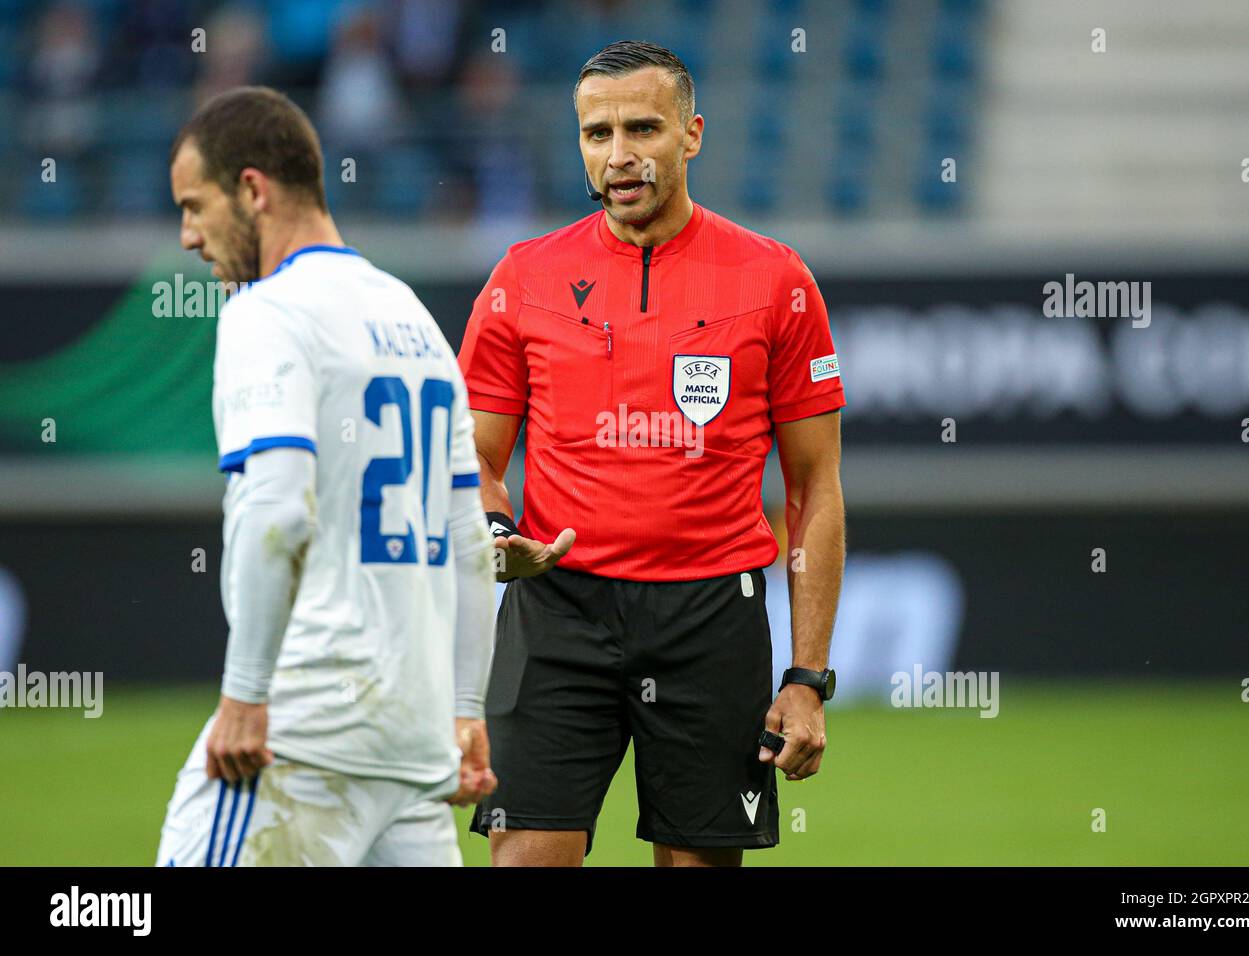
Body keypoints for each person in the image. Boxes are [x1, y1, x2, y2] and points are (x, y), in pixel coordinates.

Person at [459, 41, 846, 867]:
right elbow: (474, 460)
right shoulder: (521, 279)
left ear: (692, 134)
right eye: (597, 134)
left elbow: (814, 485)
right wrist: (496, 531)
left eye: (643, 127)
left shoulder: (776, 280)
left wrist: (808, 679)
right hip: (556, 608)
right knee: (525, 858)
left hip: (712, 618)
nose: (619, 153)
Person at [156, 86, 496, 866]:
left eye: (194, 205)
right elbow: (469, 540)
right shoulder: (411, 316)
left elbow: (278, 510)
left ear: (251, 189)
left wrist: (245, 695)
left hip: (302, 731)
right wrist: (465, 709)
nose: (186, 236)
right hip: (412, 749)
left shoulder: (266, 312)